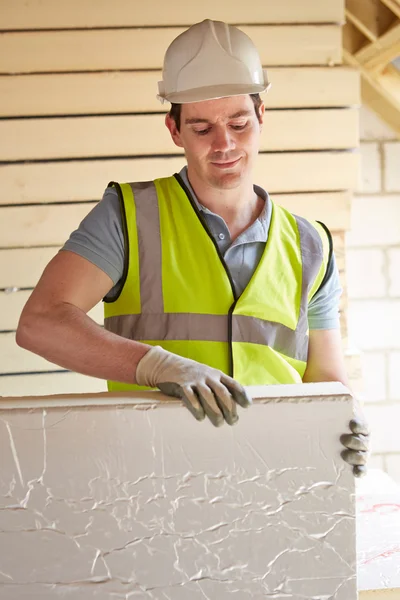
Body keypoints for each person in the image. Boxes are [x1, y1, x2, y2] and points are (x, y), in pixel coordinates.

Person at [16, 19, 369, 475]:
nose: (224, 144)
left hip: (277, 485)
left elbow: (325, 384)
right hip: (155, 484)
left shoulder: (311, 246)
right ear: (174, 129)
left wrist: (347, 420)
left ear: (262, 117)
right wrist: (157, 366)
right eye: (202, 129)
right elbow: (40, 323)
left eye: (239, 123)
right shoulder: (128, 216)